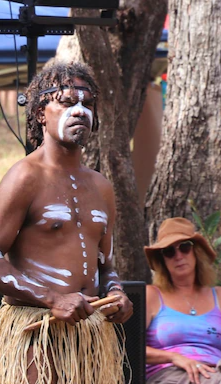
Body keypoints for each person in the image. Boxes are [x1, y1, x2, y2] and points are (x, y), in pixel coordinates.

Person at [0, 61, 133, 383]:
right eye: (67, 101)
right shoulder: (25, 177)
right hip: (38, 334)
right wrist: (52, 299)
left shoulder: (101, 186)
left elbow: (106, 266)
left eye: (87, 104)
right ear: (40, 113)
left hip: (90, 334)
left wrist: (118, 295)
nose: (79, 111)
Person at [143, 217, 221, 384]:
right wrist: (173, 357)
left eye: (185, 247)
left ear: (196, 252)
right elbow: (128, 348)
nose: (178, 256)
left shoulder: (220, 296)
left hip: (216, 372)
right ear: (162, 260)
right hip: (171, 374)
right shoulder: (152, 295)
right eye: (169, 252)